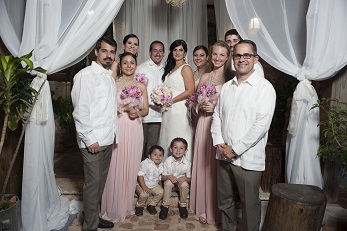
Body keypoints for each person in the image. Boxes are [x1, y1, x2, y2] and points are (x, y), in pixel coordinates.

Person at [211, 40, 276, 231]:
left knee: (249, 204)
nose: (241, 59)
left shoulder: (264, 88)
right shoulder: (228, 87)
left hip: (247, 157)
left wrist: (236, 149)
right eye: (238, 55)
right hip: (223, 154)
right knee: (225, 201)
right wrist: (219, 143)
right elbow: (217, 116)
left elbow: (261, 126)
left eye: (247, 55)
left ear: (255, 59)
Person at [71, 35, 118, 231]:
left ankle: (94, 218)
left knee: (99, 185)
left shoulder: (108, 76)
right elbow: (80, 110)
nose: (108, 55)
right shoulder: (86, 75)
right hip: (93, 140)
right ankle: (89, 227)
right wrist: (90, 138)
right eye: (105, 51)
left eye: (112, 52)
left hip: (107, 138)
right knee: (92, 185)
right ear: (96, 52)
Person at [101, 52, 149, 222]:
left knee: (130, 166)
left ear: (136, 65)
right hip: (119, 127)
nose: (129, 66)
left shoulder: (142, 85)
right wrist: (122, 109)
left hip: (135, 128)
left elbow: (146, 110)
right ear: (119, 65)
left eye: (132, 63)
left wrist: (138, 112)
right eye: (125, 63)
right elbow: (106, 107)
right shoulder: (113, 83)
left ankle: (126, 205)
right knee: (115, 165)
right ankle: (112, 207)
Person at [190, 41, 231, 225]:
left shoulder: (231, 77)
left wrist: (215, 106)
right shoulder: (205, 76)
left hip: (219, 126)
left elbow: (233, 106)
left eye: (222, 55)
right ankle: (201, 206)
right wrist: (201, 106)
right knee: (203, 164)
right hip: (203, 123)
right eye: (215, 54)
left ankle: (215, 209)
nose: (218, 58)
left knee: (216, 169)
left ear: (227, 57)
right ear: (210, 55)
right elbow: (194, 102)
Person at [158, 39, 195, 161]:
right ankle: (167, 167)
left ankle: (183, 168)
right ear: (171, 52)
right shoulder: (171, 68)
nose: (178, 53)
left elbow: (190, 90)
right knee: (168, 134)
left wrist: (172, 100)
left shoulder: (186, 68)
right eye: (175, 50)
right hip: (169, 109)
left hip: (179, 109)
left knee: (178, 133)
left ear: (185, 53)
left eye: (181, 50)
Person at [135, 41, 165, 160]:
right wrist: (154, 103)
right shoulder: (141, 68)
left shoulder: (165, 69)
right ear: (149, 52)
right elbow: (137, 93)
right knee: (140, 146)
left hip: (159, 116)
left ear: (163, 53)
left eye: (160, 51)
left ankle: (149, 175)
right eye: (155, 50)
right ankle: (137, 174)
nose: (157, 53)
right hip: (144, 116)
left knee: (153, 148)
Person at [159, 137, 191, 220]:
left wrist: (184, 178)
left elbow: (190, 179)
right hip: (169, 185)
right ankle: (165, 206)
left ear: (185, 151)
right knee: (168, 183)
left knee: (184, 184)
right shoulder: (167, 161)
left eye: (181, 148)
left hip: (180, 185)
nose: (178, 150)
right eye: (175, 147)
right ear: (171, 149)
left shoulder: (187, 163)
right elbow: (162, 177)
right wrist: (169, 176)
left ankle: (183, 206)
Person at [134, 145, 165, 216]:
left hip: (154, 185)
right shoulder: (145, 163)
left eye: (160, 155)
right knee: (144, 194)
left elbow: (159, 178)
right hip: (141, 184)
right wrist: (144, 187)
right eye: (155, 155)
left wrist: (161, 186)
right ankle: (139, 206)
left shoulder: (162, 166)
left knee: (161, 192)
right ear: (149, 156)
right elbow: (140, 176)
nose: (158, 157)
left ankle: (151, 205)